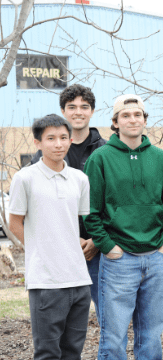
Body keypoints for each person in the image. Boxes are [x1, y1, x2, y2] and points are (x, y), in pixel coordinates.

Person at [84, 94, 163, 360]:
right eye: (126, 115)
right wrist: (108, 246)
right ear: (116, 122)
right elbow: (91, 211)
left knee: (151, 332)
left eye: (138, 114)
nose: (133, 119)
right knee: (114, 330)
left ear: (145, 120)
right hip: (118, 258)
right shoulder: (100, 159)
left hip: (154, 255)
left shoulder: (161, 159)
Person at [8, 114, 98, 360]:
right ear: (38, 142)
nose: (58, 143)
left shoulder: (79, 179)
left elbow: (71, 223)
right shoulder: (26, 179)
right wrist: (38, 249)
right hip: (46, 280)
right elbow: (15, 220)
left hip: (78, 277)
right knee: (48, 351)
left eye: (63, 137)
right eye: (50, 138)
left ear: (70, 139)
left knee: (73, 348)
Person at [30, 84, 106, 320]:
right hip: (59, 251)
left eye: (84, 107)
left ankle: (106, 358)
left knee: (107, 316)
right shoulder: (46, 153)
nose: (78, 112)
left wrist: (97, 240)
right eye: (71, 107)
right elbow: (38, 205)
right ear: (63, 111)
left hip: (98, 249)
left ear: (92, 111)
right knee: (60, 320)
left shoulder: (106, 150)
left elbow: (112, 201)